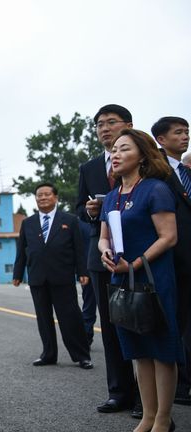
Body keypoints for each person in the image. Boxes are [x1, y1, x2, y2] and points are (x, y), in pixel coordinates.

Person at [99, 128, 182, 432]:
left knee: (161, 350)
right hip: (121, 280)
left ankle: (163, 419)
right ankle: (147, 416)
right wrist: (105, 252)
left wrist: (134, 263)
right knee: (137, 350)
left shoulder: (156, 190)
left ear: (143, 156)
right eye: (115, 150)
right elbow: (103, 237)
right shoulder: (110, 197)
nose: (116, 155)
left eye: (124, 149)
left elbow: (168, 237)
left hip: (152, 277)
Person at [76, 104, 138, 415]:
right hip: (100, 255)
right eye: (99, 124)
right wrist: (89, 213)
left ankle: (146, 396)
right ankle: (118, 392)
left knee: (141, 322)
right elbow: (78, 210)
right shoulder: (88, 168)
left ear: (128, 124)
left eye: (111, 122)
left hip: (139, 254)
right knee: (111, 325)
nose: (104, 129)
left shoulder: (146, 163)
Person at [12, 183, 93, 369]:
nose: (43, 198)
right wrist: (18, 273)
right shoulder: (28, 223)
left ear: (55, 198)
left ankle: (82, 356)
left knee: (70, 317)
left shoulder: (70, 220)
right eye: (39, 195)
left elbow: (79, 249)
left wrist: (82, 272)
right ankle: (48, 354)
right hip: (37, 277)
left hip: (62, 276)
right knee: (43, 318)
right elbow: (22, 251)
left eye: (47, 194)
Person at [151, 117, 191, 406]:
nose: (185, 136)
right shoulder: (158, 172)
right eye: (178, 132)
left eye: (187, 131)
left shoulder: (186, 171)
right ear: (161, 139)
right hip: (173, 259)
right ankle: (177, 385)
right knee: (174, 323)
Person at [79, 219, 98, 345]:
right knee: (89, 306)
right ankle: (86, 335)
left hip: (115, 267)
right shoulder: (81, 224)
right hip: (89, 270)